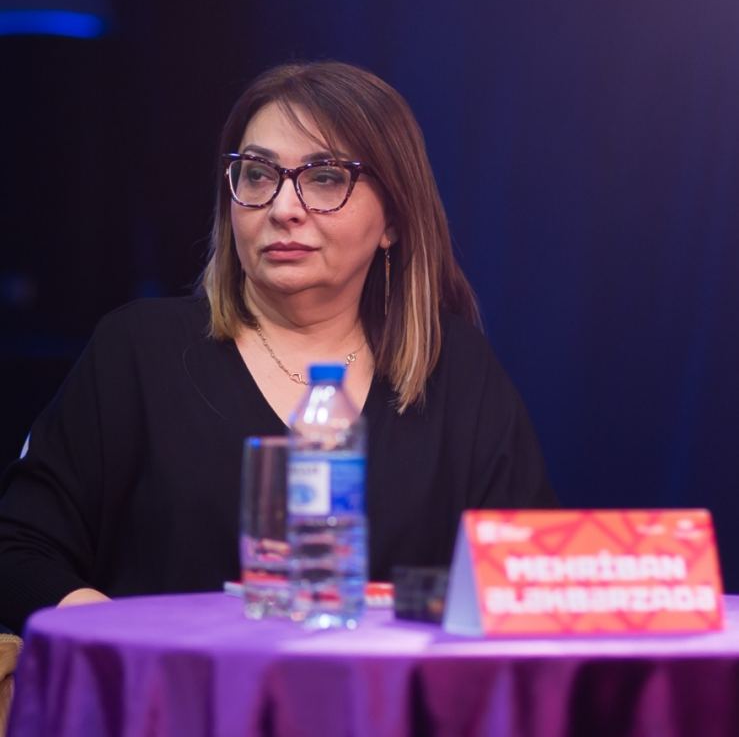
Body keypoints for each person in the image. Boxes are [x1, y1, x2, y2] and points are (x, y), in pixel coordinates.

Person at [0, 60, 555, 634]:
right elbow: (16, 550)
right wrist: (126, 643)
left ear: (393, 218)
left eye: (325, 177)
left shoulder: (455, 370)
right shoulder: (138, 351)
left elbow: (532, 580)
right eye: (259, 175)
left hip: (392, 694)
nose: (283, 208)